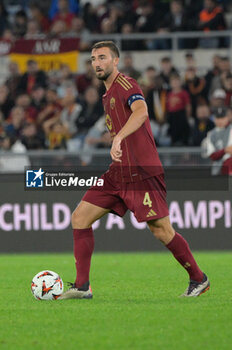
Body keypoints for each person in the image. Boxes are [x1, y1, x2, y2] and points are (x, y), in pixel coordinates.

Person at [59, 41, 210, 300]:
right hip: (117, 173)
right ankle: (83, 287)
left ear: (115, 61)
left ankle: (199, 278)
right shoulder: (106, 96)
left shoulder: (126, 85)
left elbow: (141, 112)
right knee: (80, 218)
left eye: (103, 57)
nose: (97, 62)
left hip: (142, 172)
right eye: (94, 58)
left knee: (161, 230)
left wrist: (118, 138)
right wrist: (117, 142)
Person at [201, 106, 232, 175]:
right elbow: (212, 155)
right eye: (218, 118)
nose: (220, 121)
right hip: (218, 168)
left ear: (227, 118)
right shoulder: (211, 134)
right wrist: (225, 150)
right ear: (214, 119)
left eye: (222, 118)